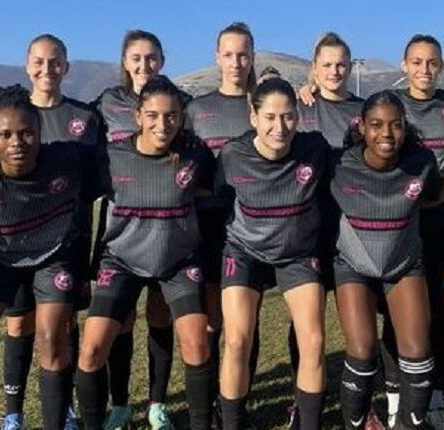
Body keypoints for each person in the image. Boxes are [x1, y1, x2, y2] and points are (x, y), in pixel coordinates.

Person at [0, 84, 95, 430]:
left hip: (52, 258)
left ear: (40, 133)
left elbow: (127, 154)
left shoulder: (68, 158)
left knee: (52, 342)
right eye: (6, 134)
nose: (17, 142)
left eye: (27, 133)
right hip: (0, 260)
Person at [75, 76, 215, 430]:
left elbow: (214, 192)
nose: (162, 124)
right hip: (122, 260)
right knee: (91, 350)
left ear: (181, 117)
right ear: (137, 116)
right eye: (152, 115)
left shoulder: (195, 155)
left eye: (171, 116)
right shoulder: (110, 157)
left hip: (178, 261)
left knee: (197, 343)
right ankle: (104, 416)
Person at [0, 33, 101, 430]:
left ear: (66, 66)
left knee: (62, 324)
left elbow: (95, 182)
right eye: (39, 62)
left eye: (55, 62)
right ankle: (13, 413)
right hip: (17, 243)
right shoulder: (12, 115)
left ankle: (64, 407)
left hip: (68, 242)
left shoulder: (85, 119)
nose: (47, 69)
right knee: (19, 323)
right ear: (27, 66)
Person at [216, 75, 329, 430]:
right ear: (254, 117)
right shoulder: (233, 155)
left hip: (297, 253)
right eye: (269, 117)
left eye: (288, 117)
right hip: (244, 251)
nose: (279, 127)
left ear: (298, 117)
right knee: (237, 340)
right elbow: (217, 198)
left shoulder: (314, 148)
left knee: (313, 340)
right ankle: (232, 423)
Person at [330, 90, 441, 430]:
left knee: (418, 353)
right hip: (354, 265)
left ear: (405, 127)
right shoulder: (338, 164)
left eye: (395, 125)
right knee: (363, 352)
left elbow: (434, 196)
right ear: (362, 127)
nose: (387, 134)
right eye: (377, 125)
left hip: (404, 264)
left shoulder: (422, 163)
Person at [289, 31, 383, 429]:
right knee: (305, 324)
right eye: (326, 64)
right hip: (309, 230)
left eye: (341, 64)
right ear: (314, 68)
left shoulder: (364, 111)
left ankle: (367, 402)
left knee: (360, 324)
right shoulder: (299, 106)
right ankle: (301, 401)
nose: (335, 71)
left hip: (354, 231)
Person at [91, 29, 179, 430]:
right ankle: (121, 404)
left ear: (162, 60)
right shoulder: (106, 103)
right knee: (121, 318)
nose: (145, 65)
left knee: (160, 315)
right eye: (136, 58)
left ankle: (158, 404)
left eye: (152, 58)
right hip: (120, 232)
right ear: (125, 62)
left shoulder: (179, 102)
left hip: (165, 231)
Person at [184, 21, 260, 429]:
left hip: (254, 228)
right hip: (208, 228)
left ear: (252, 57)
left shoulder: (263, 105)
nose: (236, 62)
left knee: (246, 322)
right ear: (217, 57)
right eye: (228, 54)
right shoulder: (197, 110)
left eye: (243, 54)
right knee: (213, 318)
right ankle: (214, 399)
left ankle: (238, 402)